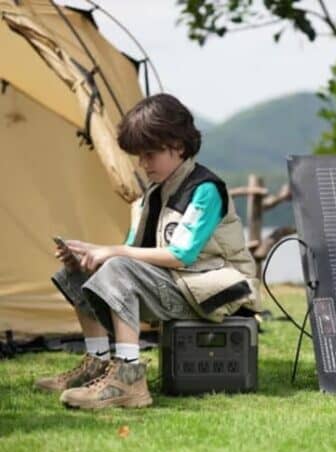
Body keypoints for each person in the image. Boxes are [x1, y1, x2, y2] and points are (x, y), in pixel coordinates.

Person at [34, 93, 261, 409]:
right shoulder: (153, 194)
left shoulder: (206, 189)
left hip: (217, 292)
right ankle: (97, 364)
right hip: (180, 285)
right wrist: (90, 254)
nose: (142, 164)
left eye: (150, 154)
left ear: (178, 146)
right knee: (81, 268)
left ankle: (128, 380)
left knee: (116, 266)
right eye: (139, 156)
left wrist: (111, 253)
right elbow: (131, 252)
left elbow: (181, 255)